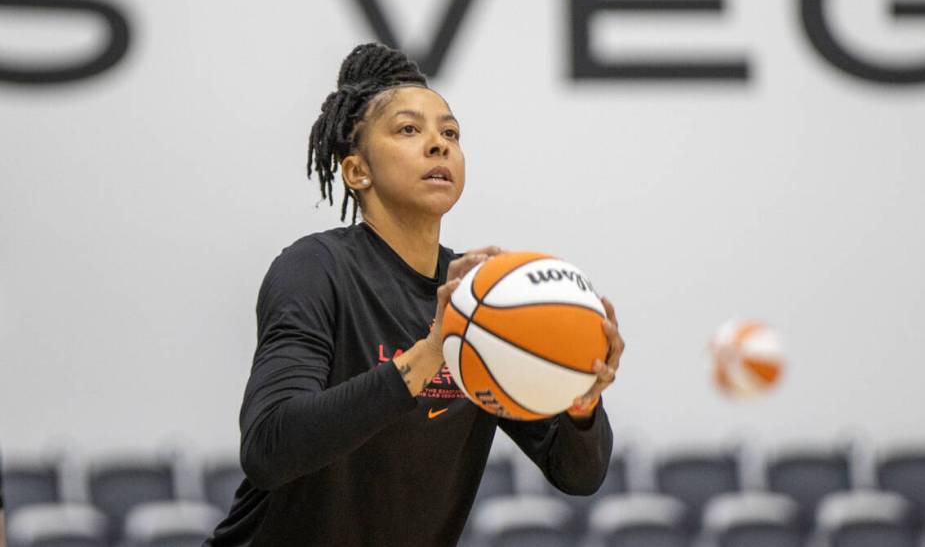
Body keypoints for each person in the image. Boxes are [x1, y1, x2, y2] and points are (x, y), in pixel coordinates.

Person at [204, 43, 625, 545]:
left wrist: (579, 402)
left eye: (450, 133)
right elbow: (269, 449)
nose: (438, 144)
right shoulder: (314, 269)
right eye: (409, 129)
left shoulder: (481, 300)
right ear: (356, 170)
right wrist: (429, 354)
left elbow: (576, 475)